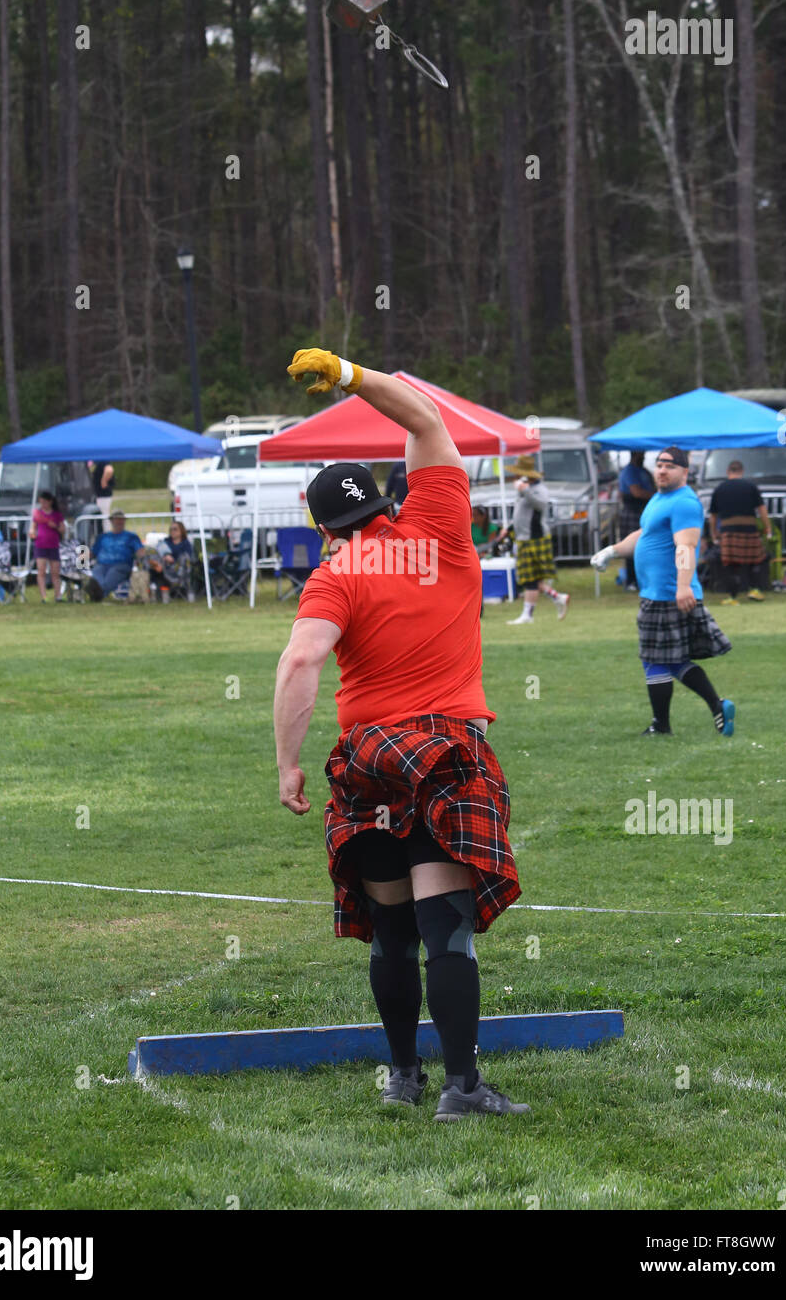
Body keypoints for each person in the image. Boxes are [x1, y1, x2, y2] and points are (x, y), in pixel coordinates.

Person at [275, 347, 526, 1121]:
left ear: (324, 526)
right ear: (387, 499)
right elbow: (423, 414)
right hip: (446, 752)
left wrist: (288, 764)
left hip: (371, 763)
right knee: (443, 928)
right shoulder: (442, 528)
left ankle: (400, 1076)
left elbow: (300, 662)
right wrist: (349, 375)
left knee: (390, 929)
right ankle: (461, 1089)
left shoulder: (334, 574)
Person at [591, 446, 734, 737]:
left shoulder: (684, 502)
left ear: (684, 471)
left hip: (668, 593)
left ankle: (663, 725)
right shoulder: (660, 498)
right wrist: (611, 551)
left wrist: (682, 586)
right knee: (670, 659)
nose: (662, 470)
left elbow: (686, 546)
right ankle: (716, 706)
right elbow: (644, 534)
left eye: (669, 465)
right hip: (657, 593)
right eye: (659, 465)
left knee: (656, 658)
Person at [506, 461, 569, 624]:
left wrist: (525, 490)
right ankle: (558, 597)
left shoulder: (538, 490)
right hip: (524, 538)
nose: (516, 476)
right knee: (532, 579)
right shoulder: (526, 488)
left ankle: (528, 615)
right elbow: (521, 514)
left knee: (531, 579)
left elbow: (540, 505)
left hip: (535, 538)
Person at [708, 460, 772, 605]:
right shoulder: (750, 486)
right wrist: (767, 527)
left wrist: (714, 533)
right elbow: (761, 509)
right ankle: (755, 590)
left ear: (727, 472)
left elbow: (713, 516)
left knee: (731, 565)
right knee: (755, 560)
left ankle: (732, 597)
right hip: (749, 529)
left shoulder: (720, 488)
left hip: (728, 531)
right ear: (742, 471)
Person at [86, 510, 145, 600]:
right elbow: (92, 552)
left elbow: (140, 551)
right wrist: (80, 552)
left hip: (121, 565)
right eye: (117, 519)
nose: (119, 522)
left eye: (121, 519)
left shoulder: (131, 537)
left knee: (112, 575)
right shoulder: (103, 537)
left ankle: (97, 594)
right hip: (101, 564)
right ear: (111, 521)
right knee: (97, 574)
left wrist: (143, 557)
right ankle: (98, 592)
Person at [617, 452, 655, 590]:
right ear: (635, 454)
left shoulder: (644, 471)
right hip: (632, 512)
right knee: (632, 548)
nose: (643, 455)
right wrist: (657, 496)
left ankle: (643, 580)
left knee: (646, 546)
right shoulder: (629, 471)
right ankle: (632, 581)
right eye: (641, 453)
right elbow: (636, 492)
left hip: (643, 511)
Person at [30, 491, 65, 602]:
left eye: (45, 502)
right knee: (41, 571)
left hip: (53, 545)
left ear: (50, 502)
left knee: (55, 572)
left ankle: (58, 595)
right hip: (40, 545)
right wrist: (32, 533)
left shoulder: (56, 515)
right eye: (41, 502)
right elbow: (33, 527)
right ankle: (44, 596)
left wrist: (54, 526)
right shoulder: (38, 514)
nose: (43, 504)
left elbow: (63, 530)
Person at [147, 521, 195, 601]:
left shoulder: (186, 544)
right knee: (150, 551)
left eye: (175, 529)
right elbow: (158, 551)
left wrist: (171, 559)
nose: (172, 531)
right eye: (171, 529)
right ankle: (158, 567)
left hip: (178, 570)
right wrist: (166, 555)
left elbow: (187, 558)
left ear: (181, 531)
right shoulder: (166, 541)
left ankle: (159, 568)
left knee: (183, 558)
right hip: (163, 566)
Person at [87, 460, 116, 531]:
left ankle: (107, 533)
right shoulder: (96, 461)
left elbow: (109, 470)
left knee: (104, 516)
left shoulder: (103, 461)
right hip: (98, 495)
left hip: (103, 495)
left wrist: (103, 481)